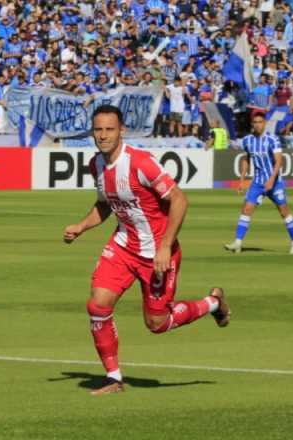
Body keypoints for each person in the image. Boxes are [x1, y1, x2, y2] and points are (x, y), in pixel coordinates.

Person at [63, 105, 230, 395]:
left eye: (109, 129)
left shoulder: (141, 163)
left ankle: (213, 303)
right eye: (98, 130)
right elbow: (105, 204)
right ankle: (114, 378)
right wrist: (81, 226)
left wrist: (165, 246)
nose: (103, 136)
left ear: (121, 131)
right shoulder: (96, 165)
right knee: (97, 306)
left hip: (157, 253)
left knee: (157, 323)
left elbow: (179, 199)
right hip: (123, 246)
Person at [224, 112, 293, 254]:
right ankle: (238, 242)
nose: (257, 125)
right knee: (246, 209)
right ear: (252, 124)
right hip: (258, 182)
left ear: (264, 123)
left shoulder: (273, 139)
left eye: (260, 122)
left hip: (275, 182)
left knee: (284, 211)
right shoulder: (248, 140)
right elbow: (246, 159)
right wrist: (241, 180)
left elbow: (279, 161)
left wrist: (271, 179)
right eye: (255, 122)